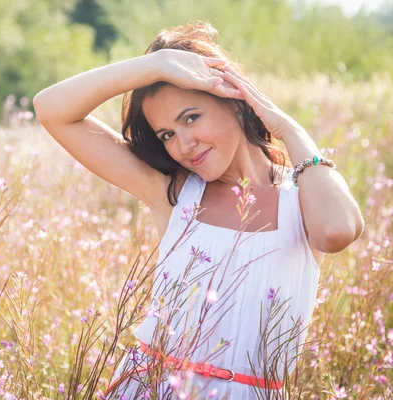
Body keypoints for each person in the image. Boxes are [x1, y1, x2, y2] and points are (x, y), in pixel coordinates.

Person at [33, 21, 364, 399]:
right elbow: (51, 109)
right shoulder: (174, 194)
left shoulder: (302, 196)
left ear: (236, 102)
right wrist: (156, 65)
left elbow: (338, 231)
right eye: (167, 135)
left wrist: (288, 128)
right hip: (149, 386)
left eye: (191, 118)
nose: (184, 144)